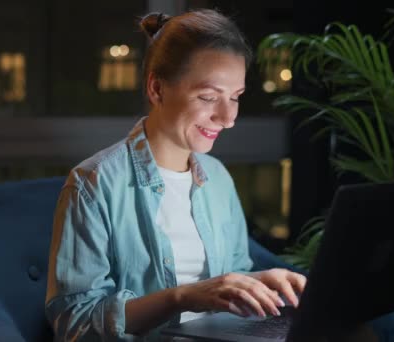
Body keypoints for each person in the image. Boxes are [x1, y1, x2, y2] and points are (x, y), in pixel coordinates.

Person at [45, 9, 307, 340]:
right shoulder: (93, 184)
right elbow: (75, 323)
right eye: (209, 97)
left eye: (235, 98)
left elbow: (231, 277)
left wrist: (258, 282)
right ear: (157, 89)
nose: (227, 118)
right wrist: (181, 297)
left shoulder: (217, 179)